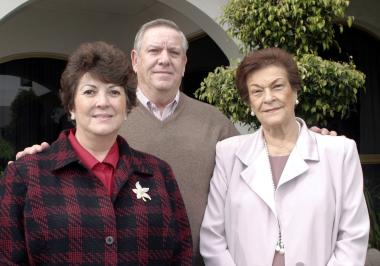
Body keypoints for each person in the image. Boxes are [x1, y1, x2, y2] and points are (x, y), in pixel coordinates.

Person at [11, 19, 337, 265]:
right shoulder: (106, 118)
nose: (164, 59)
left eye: (174, 52)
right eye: (154, 51)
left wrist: (303, 141)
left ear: (184, 63)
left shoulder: (215, 123)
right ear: (136, 60)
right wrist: (39, 156)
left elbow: (259, 172)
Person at [0, 41, 192, 265]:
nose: (103, 102)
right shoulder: (26, 176)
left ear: (127, 107)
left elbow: (182, 256)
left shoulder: (158, 174)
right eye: (90, 91)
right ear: (71, 106)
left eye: (113, 92)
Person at [200, 47, 369, 265]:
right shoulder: (228, 154)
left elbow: (352, 237)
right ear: (250, 103)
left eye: (277, 86)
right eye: (257, 91)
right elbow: (213, 237)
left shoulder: (339, 153)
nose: (268, 98)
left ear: (295, 91)